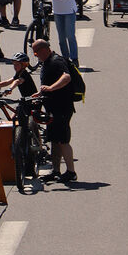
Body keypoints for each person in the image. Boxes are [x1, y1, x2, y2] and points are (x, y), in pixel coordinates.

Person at [31, 38, 76, 184]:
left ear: (44, 50)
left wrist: (51, 88)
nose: (35, 55)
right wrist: (41, 93)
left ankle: (71, 172)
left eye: (36, 52)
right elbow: (48, 82)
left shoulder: (57, 61)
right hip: (52, 108)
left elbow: (66, 77)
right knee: (55, 141)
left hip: (62, 108)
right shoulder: (47, 62)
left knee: (63, 140)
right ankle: (56, 171)